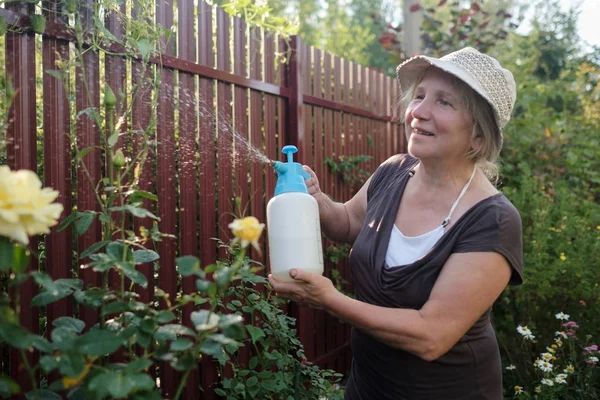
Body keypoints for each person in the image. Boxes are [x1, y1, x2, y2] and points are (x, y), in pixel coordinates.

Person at [268, 47, 523, 399]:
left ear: (479, 135)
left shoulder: (492, 220)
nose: (418, 111)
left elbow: (430, 335)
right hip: (367, 388)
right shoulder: (394, 172)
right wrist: (316, 201)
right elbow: (346, 223)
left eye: (444, 102)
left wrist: (328, 299)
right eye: (419, 96)